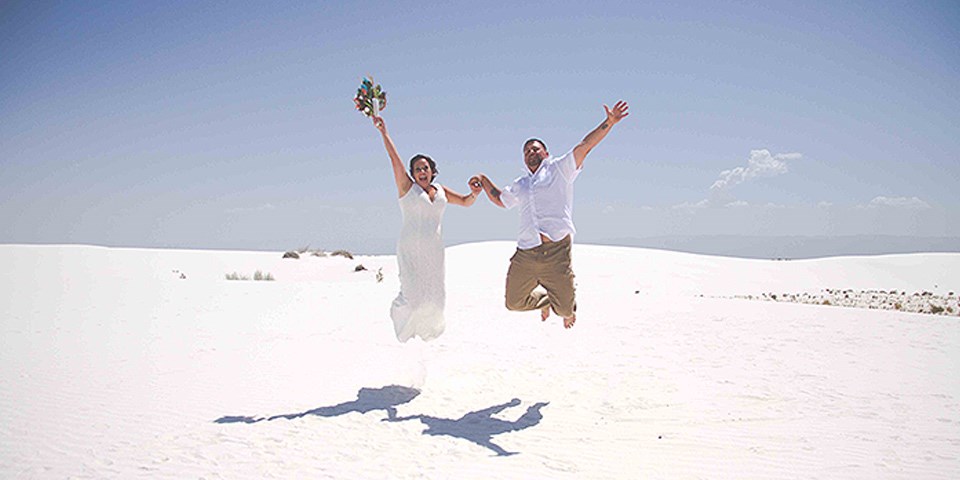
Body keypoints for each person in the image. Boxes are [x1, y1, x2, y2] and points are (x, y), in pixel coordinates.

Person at [475, 101, 629, 329]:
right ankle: (546, 301)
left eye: (535, 149)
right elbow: (500, 199)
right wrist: (483, 179)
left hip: (556, 252)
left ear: (546, 152)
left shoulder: (559, 169)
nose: (531, 153)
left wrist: (609, 122)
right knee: (513, 303)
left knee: (566, 310)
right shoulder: (521, 184)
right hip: (526, 252)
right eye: (526, 151)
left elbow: (584, 146)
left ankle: (563, 298)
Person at [372, 115, 483, 342]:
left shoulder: (441, 191)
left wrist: (474, 193)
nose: (422, 172)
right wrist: (384, 133)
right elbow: (394, 159)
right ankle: (399, 317)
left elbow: (464, 201)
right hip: (411, 248)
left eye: (425, 168)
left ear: (432, 170)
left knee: (434, 298)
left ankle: (426, 333)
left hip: (434, 250)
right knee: (412, 297)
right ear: (412, 174)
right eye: (417, 169)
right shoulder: (407, 188)